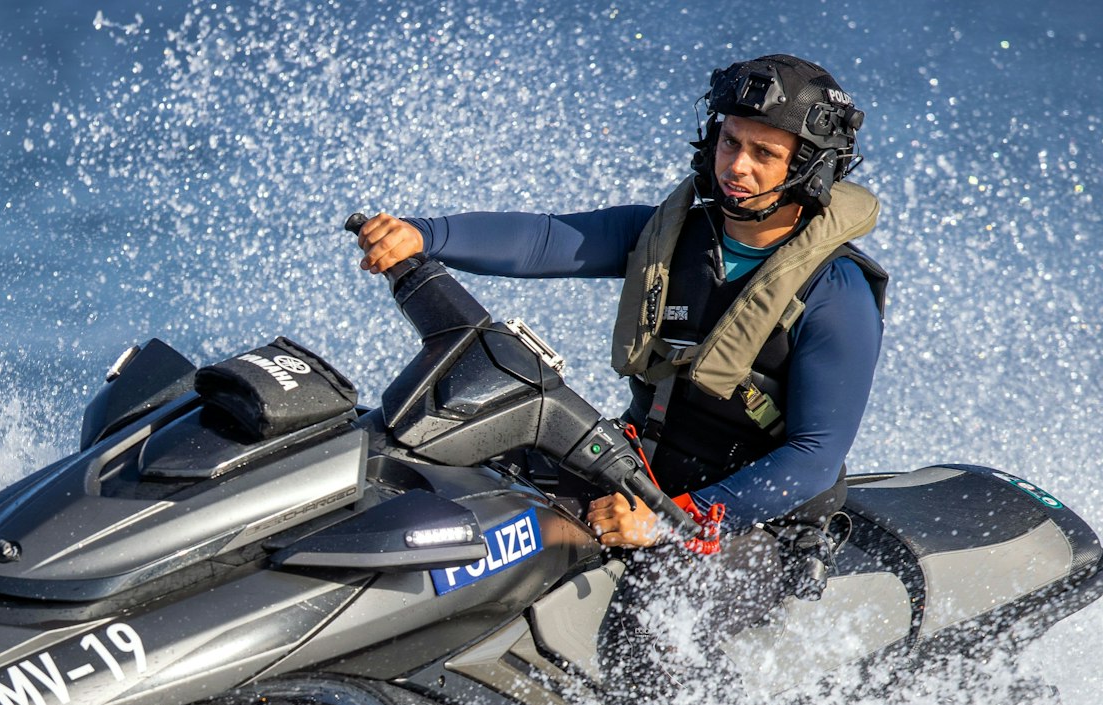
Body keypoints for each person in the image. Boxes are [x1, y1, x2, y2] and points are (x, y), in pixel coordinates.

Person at [354, 54, 887, 556]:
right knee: (458, 482)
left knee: (642, 634)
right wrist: (422, 235)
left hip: (753, 526)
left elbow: (815, 458)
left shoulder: (835, 292)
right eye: (730, 142)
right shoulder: (671, 236)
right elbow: (545, 240)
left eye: (764, 154)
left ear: (811, 168)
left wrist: (672, 522)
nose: (737, 166)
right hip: (639, 475)